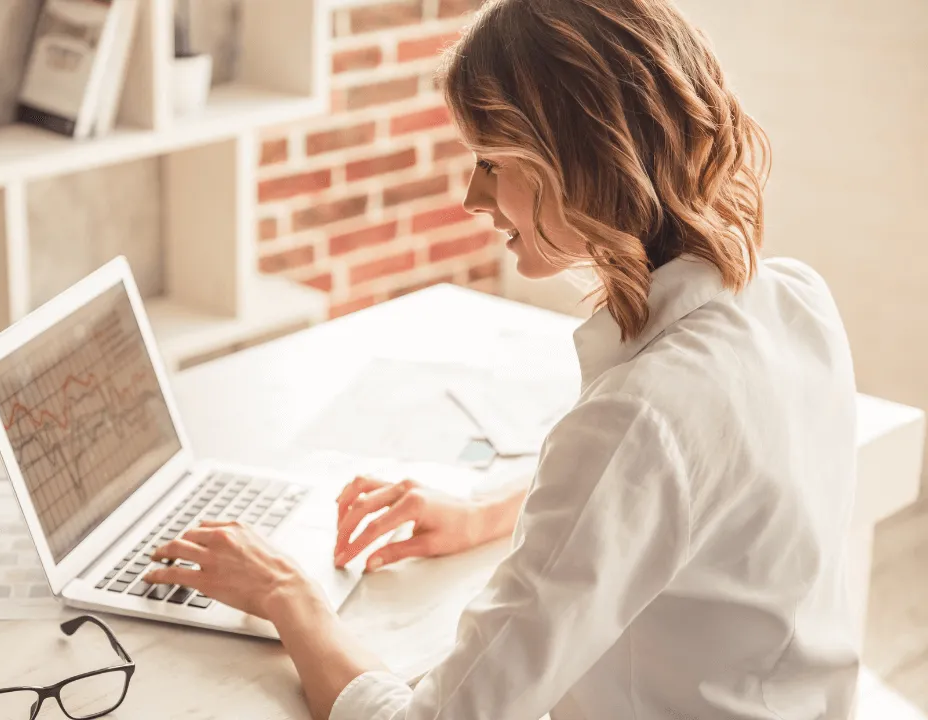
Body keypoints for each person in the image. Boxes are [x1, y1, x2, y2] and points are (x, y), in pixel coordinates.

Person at [145, 0, 861, 717]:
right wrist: (483, 514)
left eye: (491, 162)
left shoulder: (639, 414)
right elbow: (678, 490)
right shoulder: (795, 300)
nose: (470, 196)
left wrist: (288, 596)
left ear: (580, 157)